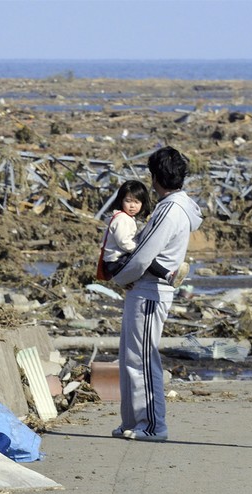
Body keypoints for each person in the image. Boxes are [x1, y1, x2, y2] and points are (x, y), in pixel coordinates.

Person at [111, 146, 203, 441]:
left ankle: (152, 425)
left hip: (151, 290)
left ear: (155, 177)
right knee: (131, 357)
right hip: (146, 289)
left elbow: (143, 254)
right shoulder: (176, 207)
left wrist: (120, 277)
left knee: (142, 359)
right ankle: (132, 421)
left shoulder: (169, 210)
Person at [101, 180, 190, 288]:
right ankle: (169, 276)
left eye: (137, 202)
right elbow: (124, 242)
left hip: (115, 262)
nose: (132, 206)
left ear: (142, 203)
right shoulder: (122, 219)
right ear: (121, 200)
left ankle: (168, 275)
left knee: (145, 258)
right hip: (115, 262)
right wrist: (141, 249)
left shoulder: (125, 218)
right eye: (128, 201)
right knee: (146, 258)